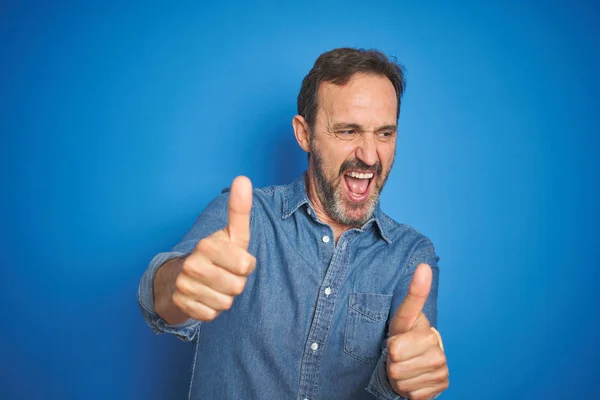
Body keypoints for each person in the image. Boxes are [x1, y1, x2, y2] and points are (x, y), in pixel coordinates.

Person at [138, 47, 449, 400]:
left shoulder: (412, 257)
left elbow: (411, 358)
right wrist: (180, 282)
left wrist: (410, 373)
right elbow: (158, 297)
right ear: (304, 134)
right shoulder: (245, 216)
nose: (369, 154)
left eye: (384, 134)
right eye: (348, 131)